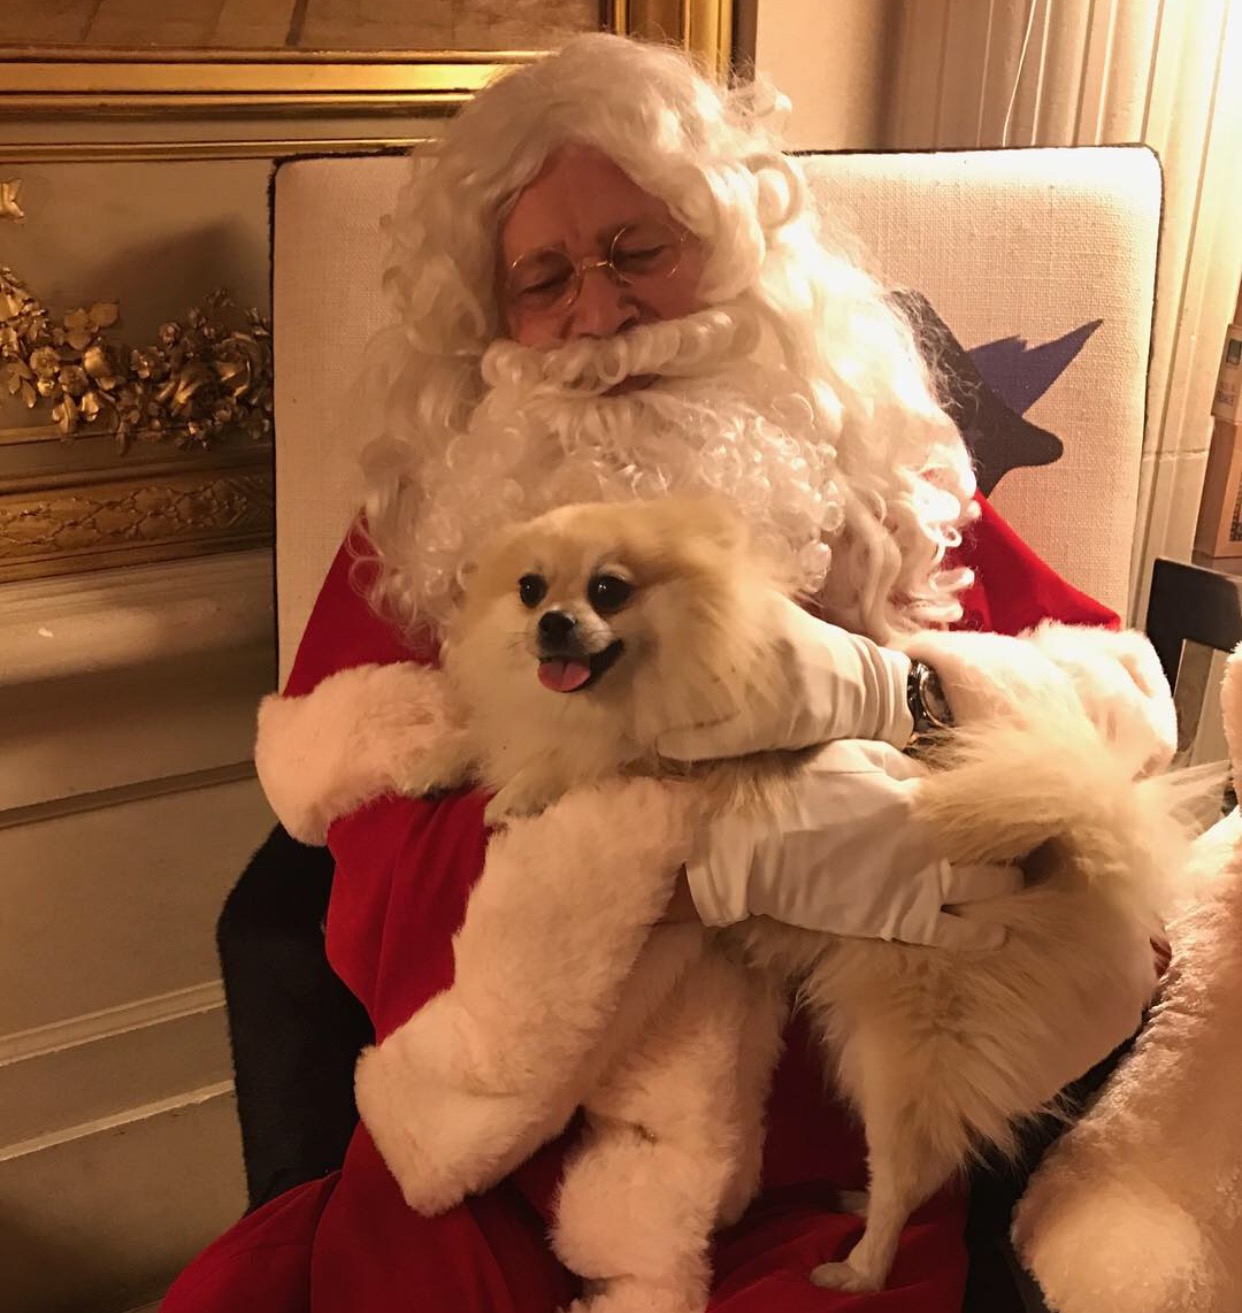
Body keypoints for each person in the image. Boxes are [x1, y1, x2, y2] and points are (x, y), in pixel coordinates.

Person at [166, 33, 1176, 1313]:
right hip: (508, 1158)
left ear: (731, 254)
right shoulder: (425, 532)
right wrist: (690, 854)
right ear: (492, 321)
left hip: (827, 1157)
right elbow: (368, 883)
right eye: (543, 278)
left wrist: (914, 720)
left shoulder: (888, 483)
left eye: (638, 250)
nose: (600, 314)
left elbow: (1103, 707)